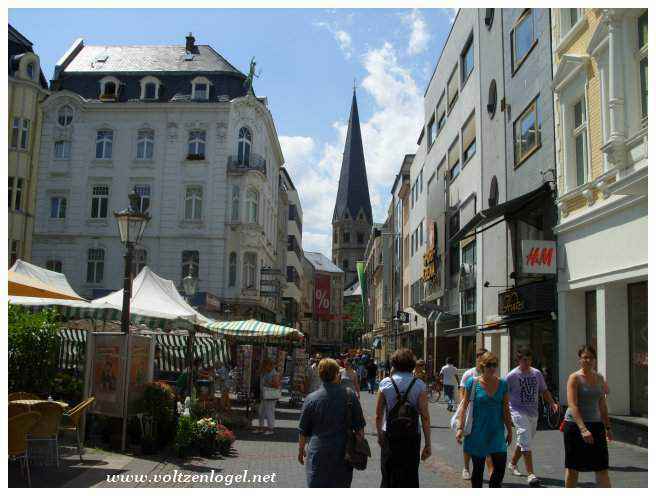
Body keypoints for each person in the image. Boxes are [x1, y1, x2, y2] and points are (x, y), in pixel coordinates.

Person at [298, 358, 366, 487]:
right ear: (337, 374)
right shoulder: (350, 396)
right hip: (342, 452)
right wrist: (358, 447)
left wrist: (301, 450)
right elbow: (359, 428)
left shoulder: (311, 398)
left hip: (318, 452)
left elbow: (303, 430)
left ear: (320, 375)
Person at [376, 348, 432, 487]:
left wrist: (379, 435)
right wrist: (428, 443)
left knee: (388, 474)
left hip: (389, 432)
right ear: (412, 364)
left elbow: (378, 414)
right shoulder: (419, 385)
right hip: (412, 434)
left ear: (394, 364)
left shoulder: (385, 383)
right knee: (410, 475)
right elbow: (425, 417)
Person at [456, 352, 513, 488]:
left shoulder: (503, 384)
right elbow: (464, 407)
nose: (492, 368)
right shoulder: (473, 382)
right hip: (477, 432)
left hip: (496, 432)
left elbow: (505, 409)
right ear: (482, 366)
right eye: (489, 365)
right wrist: (460, 428)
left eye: (494, 365)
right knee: (478, 470)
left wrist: (510, 430)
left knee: (499, 469)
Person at [506, 347, 559, 486]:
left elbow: (544, 390)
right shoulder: (512, 376)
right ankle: (531, 474)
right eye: (524, 360)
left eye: (529, 360)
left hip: (533, 412)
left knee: (524, 440)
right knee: (524, 437)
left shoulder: (537, 374)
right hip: (517, 411)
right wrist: (503, 412)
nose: (527, 362)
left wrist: (552, 403)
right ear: (518, 360)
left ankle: (512, 463)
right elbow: (504, 395)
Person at [562, 345, 612, 488]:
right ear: (580, 360)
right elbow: (573, 405)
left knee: (602, 467)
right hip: (575, 425)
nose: (588, 360)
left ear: (595, 360)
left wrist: (607, 427)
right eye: (585, 357)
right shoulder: (574, 378)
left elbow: (602, 404)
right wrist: (583, 429)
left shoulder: (599, 378)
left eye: (591, 357)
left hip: (596, 425)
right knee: (573, 468)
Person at [459, 348, 488, 480]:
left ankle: (486, 468)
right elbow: (462, 391)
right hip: (471, 411)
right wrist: (463, 407)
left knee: (485, 440)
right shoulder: (469, 374)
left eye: (484, 357)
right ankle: (466, 467)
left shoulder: (490, 373)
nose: (481, 359)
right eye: (479, 357)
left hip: (485, 413)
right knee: (469, 440)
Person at [255, 358, 280, 435]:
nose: (264, 367)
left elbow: (276, 385)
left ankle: (270, 429)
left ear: (269, 365)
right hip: (264, 395)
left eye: (265, 365)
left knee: (269, 412)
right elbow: (257, 373)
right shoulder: (265, 372)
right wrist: (261, 369)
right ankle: (261, 427)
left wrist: (267, 382)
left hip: (270, 396)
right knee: (261, 411)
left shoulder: (274, 373)